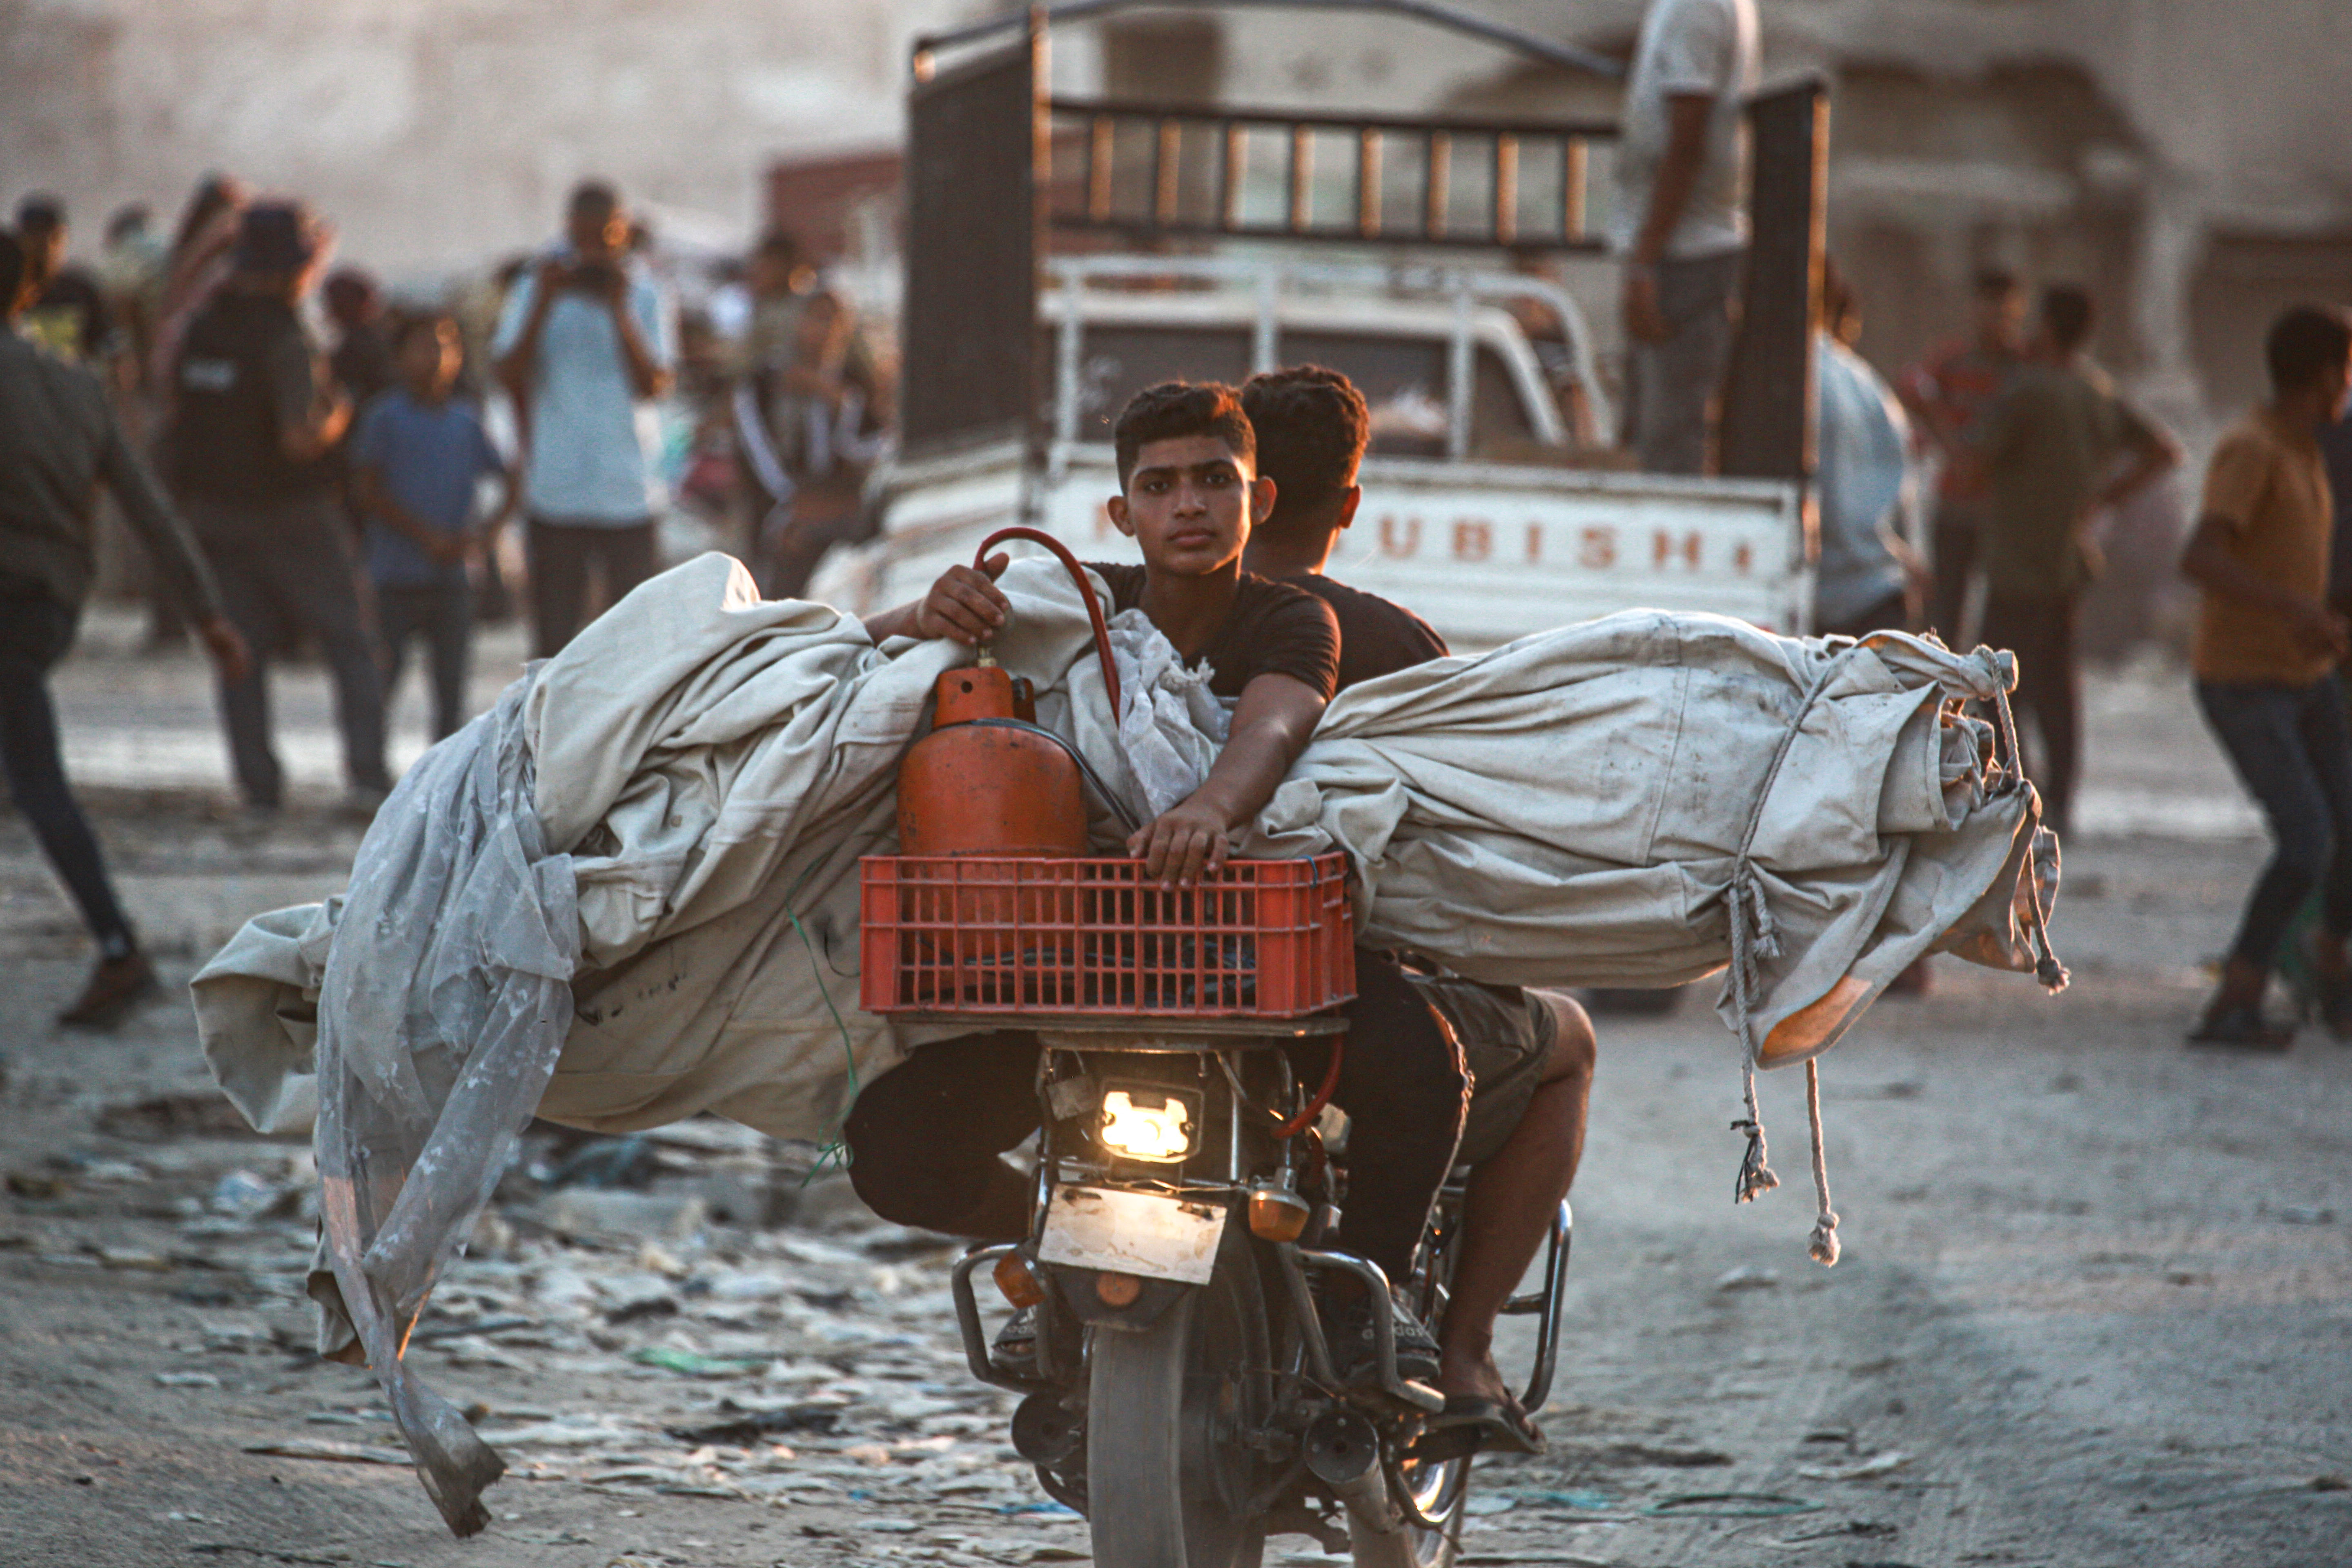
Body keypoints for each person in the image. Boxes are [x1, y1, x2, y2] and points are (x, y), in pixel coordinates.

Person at [843, 381, 1464, 1386]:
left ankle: (1367, 1297)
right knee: (888, 1145)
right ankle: (1052, 1250)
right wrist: (924, 613)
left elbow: (1274, 724)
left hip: (1257, 967)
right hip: (1081, 975)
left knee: (1425, 1067)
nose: (1188, 506)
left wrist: (1212, 809)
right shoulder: (1070, 604)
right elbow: (859, 656)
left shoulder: (1293, 617)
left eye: (1214, 481)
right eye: (1160, 485)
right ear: (1121, 512)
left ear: (1259, 499)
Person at [1242, 364, 1596, 1454]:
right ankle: (1463, 1354)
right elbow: (1463, 861)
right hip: (1328, 996)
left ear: (1236, 487)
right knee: (1566, 1041)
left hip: (1141, 972)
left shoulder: (1145, 616)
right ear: (1348, 503)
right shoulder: (1393, 646)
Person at [0, 230, 252, 1025]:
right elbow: (149, 508)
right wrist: (208, 614)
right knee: (31, 772)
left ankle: (119, 948)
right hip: (50, 604)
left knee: (37, 780)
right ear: (28, 293)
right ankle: (116, 949)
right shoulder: (76, 388)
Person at [172, 201, 390, 813]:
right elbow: (300, 437)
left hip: (214, 513)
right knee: (351, 642)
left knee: (242, 653)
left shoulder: (203, 327)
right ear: (295, 267)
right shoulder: (287, 336)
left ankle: (258, 786)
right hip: (291, 514)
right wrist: (340, 414)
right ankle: (368, 776)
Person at [2180, 306, 2352, 1048]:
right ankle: (2238, 995)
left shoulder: (2305, 447)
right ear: (2326, 374)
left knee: (2345, 827)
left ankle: (2330, 963)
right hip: (2246, 680)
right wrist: (2293, 608)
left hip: (2308, 675)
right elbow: (2201, 556)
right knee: (2307, 840)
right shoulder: (2252, 449)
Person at [1973, 285, 2180, 837]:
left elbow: (1974, 460)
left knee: (1995, 684)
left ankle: (2014, 790)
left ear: (2046, 328)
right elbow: (2164, 451)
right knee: (2057, 687)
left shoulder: (2027, 391)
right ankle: (2060, 800)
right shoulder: (2097, 391)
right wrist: (2103, 500)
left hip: (2017, 563)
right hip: (2068, 563)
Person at [493, 179, 675, 656]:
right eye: (583, 237)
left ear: (623, 233)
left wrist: (620, 311)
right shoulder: (535, 286)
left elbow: (655, 385)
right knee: (554, 641)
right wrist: (543, 303)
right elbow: (507, 375)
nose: (593, 250)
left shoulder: (644, 292)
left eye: (605, 238)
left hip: (629, 488)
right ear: (568, 231)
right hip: (556, 491)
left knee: (636, 642)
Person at [352, 312, 517, 742]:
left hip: (453, 575)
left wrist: (486, 535)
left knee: (451, 688)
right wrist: (426, 536)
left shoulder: (466, 419)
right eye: (425, 346)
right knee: (381, 681)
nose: (439, 357)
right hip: (395, 574)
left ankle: (445, 773)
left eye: (448, 346)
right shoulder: (385, 416)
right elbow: (368, 490)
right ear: (399, 357)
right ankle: (369, 768)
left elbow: (510, 478)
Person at [1611, 0, 1760, 476]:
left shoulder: (1698, 6)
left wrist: (1645, 261)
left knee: (1669, 436)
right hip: (1677, 247)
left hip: (1685, 253)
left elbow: (1687, 139)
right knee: (1650, 433)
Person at [733, 233, 889, 599]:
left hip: (838, 517)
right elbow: (759, 457)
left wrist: (839, 404)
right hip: (779, 517)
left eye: (834, 321)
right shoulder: (764, 384)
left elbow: (868, 452)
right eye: (815, 319)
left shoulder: (853, 385)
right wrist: (793, 505)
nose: (824, 331)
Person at [1898, 269, 2028, 646]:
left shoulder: (2024, 367)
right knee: (1944, 608)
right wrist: (1951, 446)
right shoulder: (1954, 362)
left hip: (2004, 510)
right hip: (1956, 502)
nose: (1995, 322)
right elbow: (1912, 389)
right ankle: (1943, 676)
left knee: (2003, 614)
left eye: (2003, 313)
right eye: (1988, 311)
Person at [1813, 265, 1923, 639]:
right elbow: (1908, 489)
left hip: (1824, 601)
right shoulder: (1870, 386)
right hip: (1881, 594)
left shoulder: (1794, 380)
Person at [13, 194, 114, 366]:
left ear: (64, 237)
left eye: (53, 236)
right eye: (34, 234)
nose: (45, 244)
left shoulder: (81, 289)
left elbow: (108, 348)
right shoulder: (10, 290)